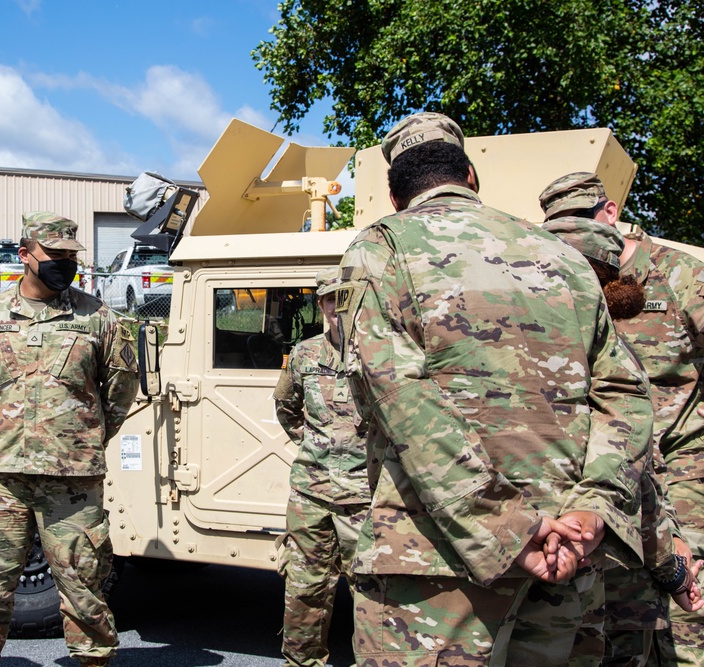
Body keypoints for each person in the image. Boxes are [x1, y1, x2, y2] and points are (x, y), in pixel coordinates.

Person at [335, 112, 655, 666]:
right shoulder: (565, 259)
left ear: (393, 193)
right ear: (471, 176)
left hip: (439, 569)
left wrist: (507, 528)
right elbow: (625, 394)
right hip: (569, 554)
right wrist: (593, 508)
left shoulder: (381, 248)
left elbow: (398, 397)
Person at [0, 211, 139, 667]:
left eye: (71, 256)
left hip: (72, 481)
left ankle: (93, 660)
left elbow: (119, 390)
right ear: (25, 255)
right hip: (2, 478)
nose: (65, 263)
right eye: (54, 255)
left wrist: (81, 437)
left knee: (83, 584)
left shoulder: (99, 318)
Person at [540, 174, 704, 665]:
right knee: (613, 604)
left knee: (688, 596)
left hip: (683, 462)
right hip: (612, 462)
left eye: (582, 225)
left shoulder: (682, 278)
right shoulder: (567, 281)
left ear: (609, 214)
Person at [273, 267, 371, 667]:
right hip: (311, 494)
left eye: (345, 299)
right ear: (322, 304)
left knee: (372, 595)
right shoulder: (305, 353)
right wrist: (315, 445)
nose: (337, 308)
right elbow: (286, 406)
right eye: (331, 300)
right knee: (303, 590)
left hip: (365, 496)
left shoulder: (381, 356)